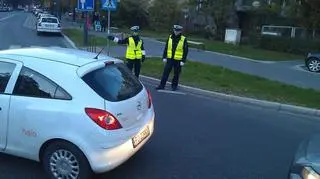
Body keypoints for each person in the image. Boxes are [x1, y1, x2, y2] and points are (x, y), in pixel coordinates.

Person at [156, 25, 188, 91]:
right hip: (170, 58)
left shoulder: (183, 39)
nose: (176, 32)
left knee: (176, 74)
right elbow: (166, 47)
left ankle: (174, 86)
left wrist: (183, 60)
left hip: (178, 60)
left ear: (180, 31)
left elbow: (185, 51)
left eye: (178, 31)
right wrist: (164, 57)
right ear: (173, 30)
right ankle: (162, 85)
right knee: (165, 72)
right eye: (175, 30)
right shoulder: (170, 37)